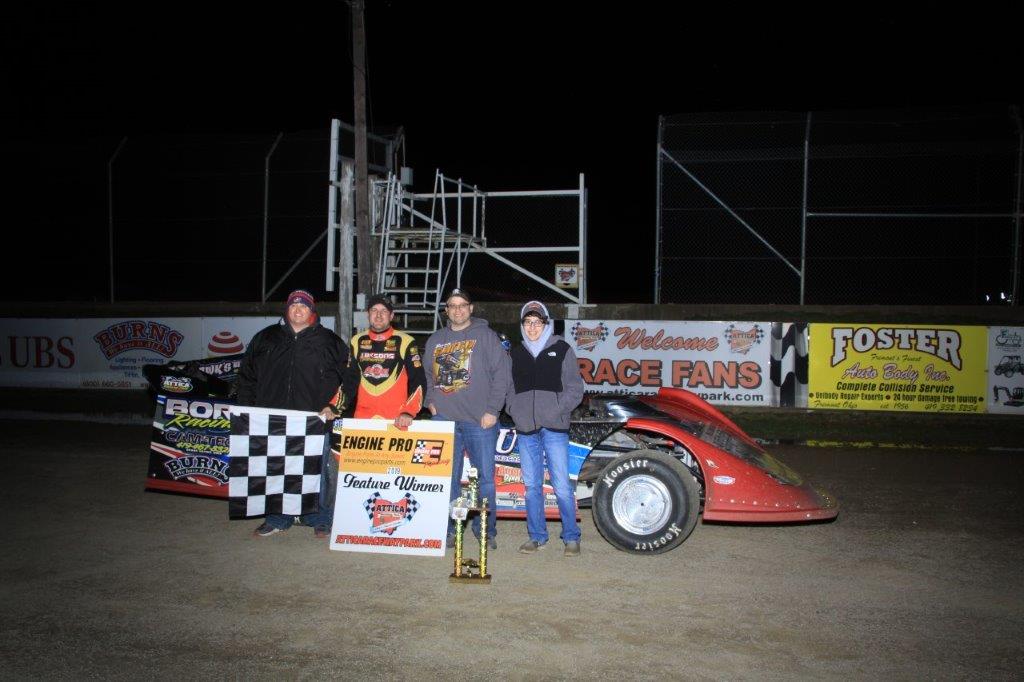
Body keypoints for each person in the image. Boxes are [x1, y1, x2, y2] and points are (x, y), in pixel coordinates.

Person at [236, 289, 349, 539]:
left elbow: (348, 380)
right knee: (275, 470)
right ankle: (277, 518)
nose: (298, 310)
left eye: (304, 305)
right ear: (287, 309)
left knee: (318, 472)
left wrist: (334, 406)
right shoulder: (265, 337)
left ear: (312, 310)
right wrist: (246, 409)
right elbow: (246, 377)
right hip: (272, 419)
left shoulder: (330, 341)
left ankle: (321, 518)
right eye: (294, 305)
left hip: (314, 420)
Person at [423, 288, 510, 550]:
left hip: (479, 421)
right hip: (444, 419)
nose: (458, 310)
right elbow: (428, 374)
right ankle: (449, 529)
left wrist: (493, 410)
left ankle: (485, 529)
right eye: (453, 305)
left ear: (471, 308)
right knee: (445, 478)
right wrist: (430, 401)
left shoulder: (486, 336)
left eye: (462, 305)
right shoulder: (436, 339)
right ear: (446, 311)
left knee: (485, 480)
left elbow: (502, 374)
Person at [506, 301, 585, 556]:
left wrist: (557, 410)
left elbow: (576, 388)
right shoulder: (515, 353)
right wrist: (514, 409)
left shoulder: (562, 349)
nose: (532, 327)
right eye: (528, 322)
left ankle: (571, 537)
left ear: (546, 323)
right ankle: (537, 536)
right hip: (526, 429)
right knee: (531, 486)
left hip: (555, 428)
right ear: (522, 325)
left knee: (561, 486)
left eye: (537, 322)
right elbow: (508, 388)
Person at [341, 293, 426, 427]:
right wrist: (334, 406)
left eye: (384, 311)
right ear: (368, 314)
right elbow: (349, 380)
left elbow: (418, 380)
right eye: (374, 310)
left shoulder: (406, 341)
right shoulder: (356, 341)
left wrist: (408, 411)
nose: (378, 315)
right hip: (363, 418)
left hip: (396, 419)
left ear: (391, 316)